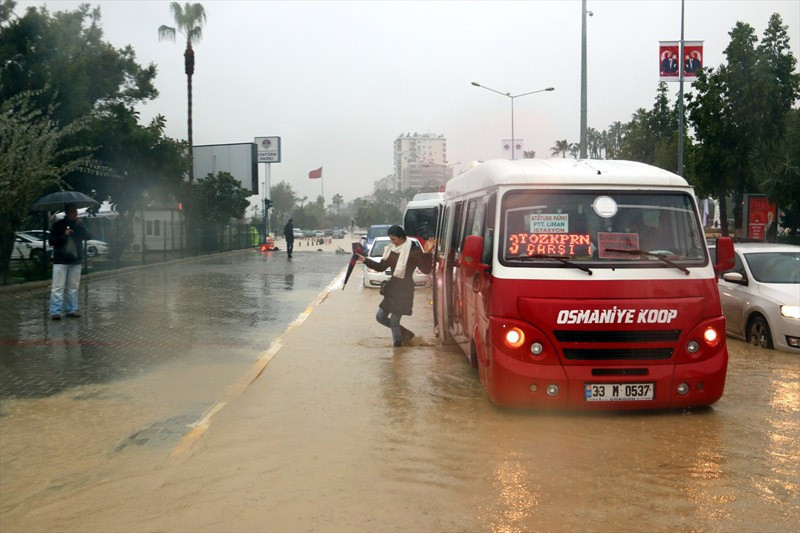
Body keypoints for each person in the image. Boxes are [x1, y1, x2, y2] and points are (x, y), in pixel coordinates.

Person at [357, 225, 434, 347]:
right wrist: (365, 260)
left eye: (393, 239)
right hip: (392, 289)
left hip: (405, 290)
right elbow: (380, 267)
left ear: (401, 237)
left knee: (394, 321)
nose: (392, 242)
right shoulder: (391, 250)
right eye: (390, 239)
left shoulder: (414, 251)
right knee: (380, 317)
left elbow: (426, 269)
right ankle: (406, 334)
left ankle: (398, 350)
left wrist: (427, 253)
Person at [48, 204, 91, 320]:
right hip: (60, 260)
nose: (74, 214)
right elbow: (51, 242)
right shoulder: (58, 225)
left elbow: (88, 236)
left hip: (75, 260)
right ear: (67, 212)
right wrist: (64, 235)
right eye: (72, 211)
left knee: (73, 287)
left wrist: (80, 225)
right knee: (58, 287)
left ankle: (71, 310)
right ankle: (55, 311)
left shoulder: (79, 224)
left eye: (75, 211)